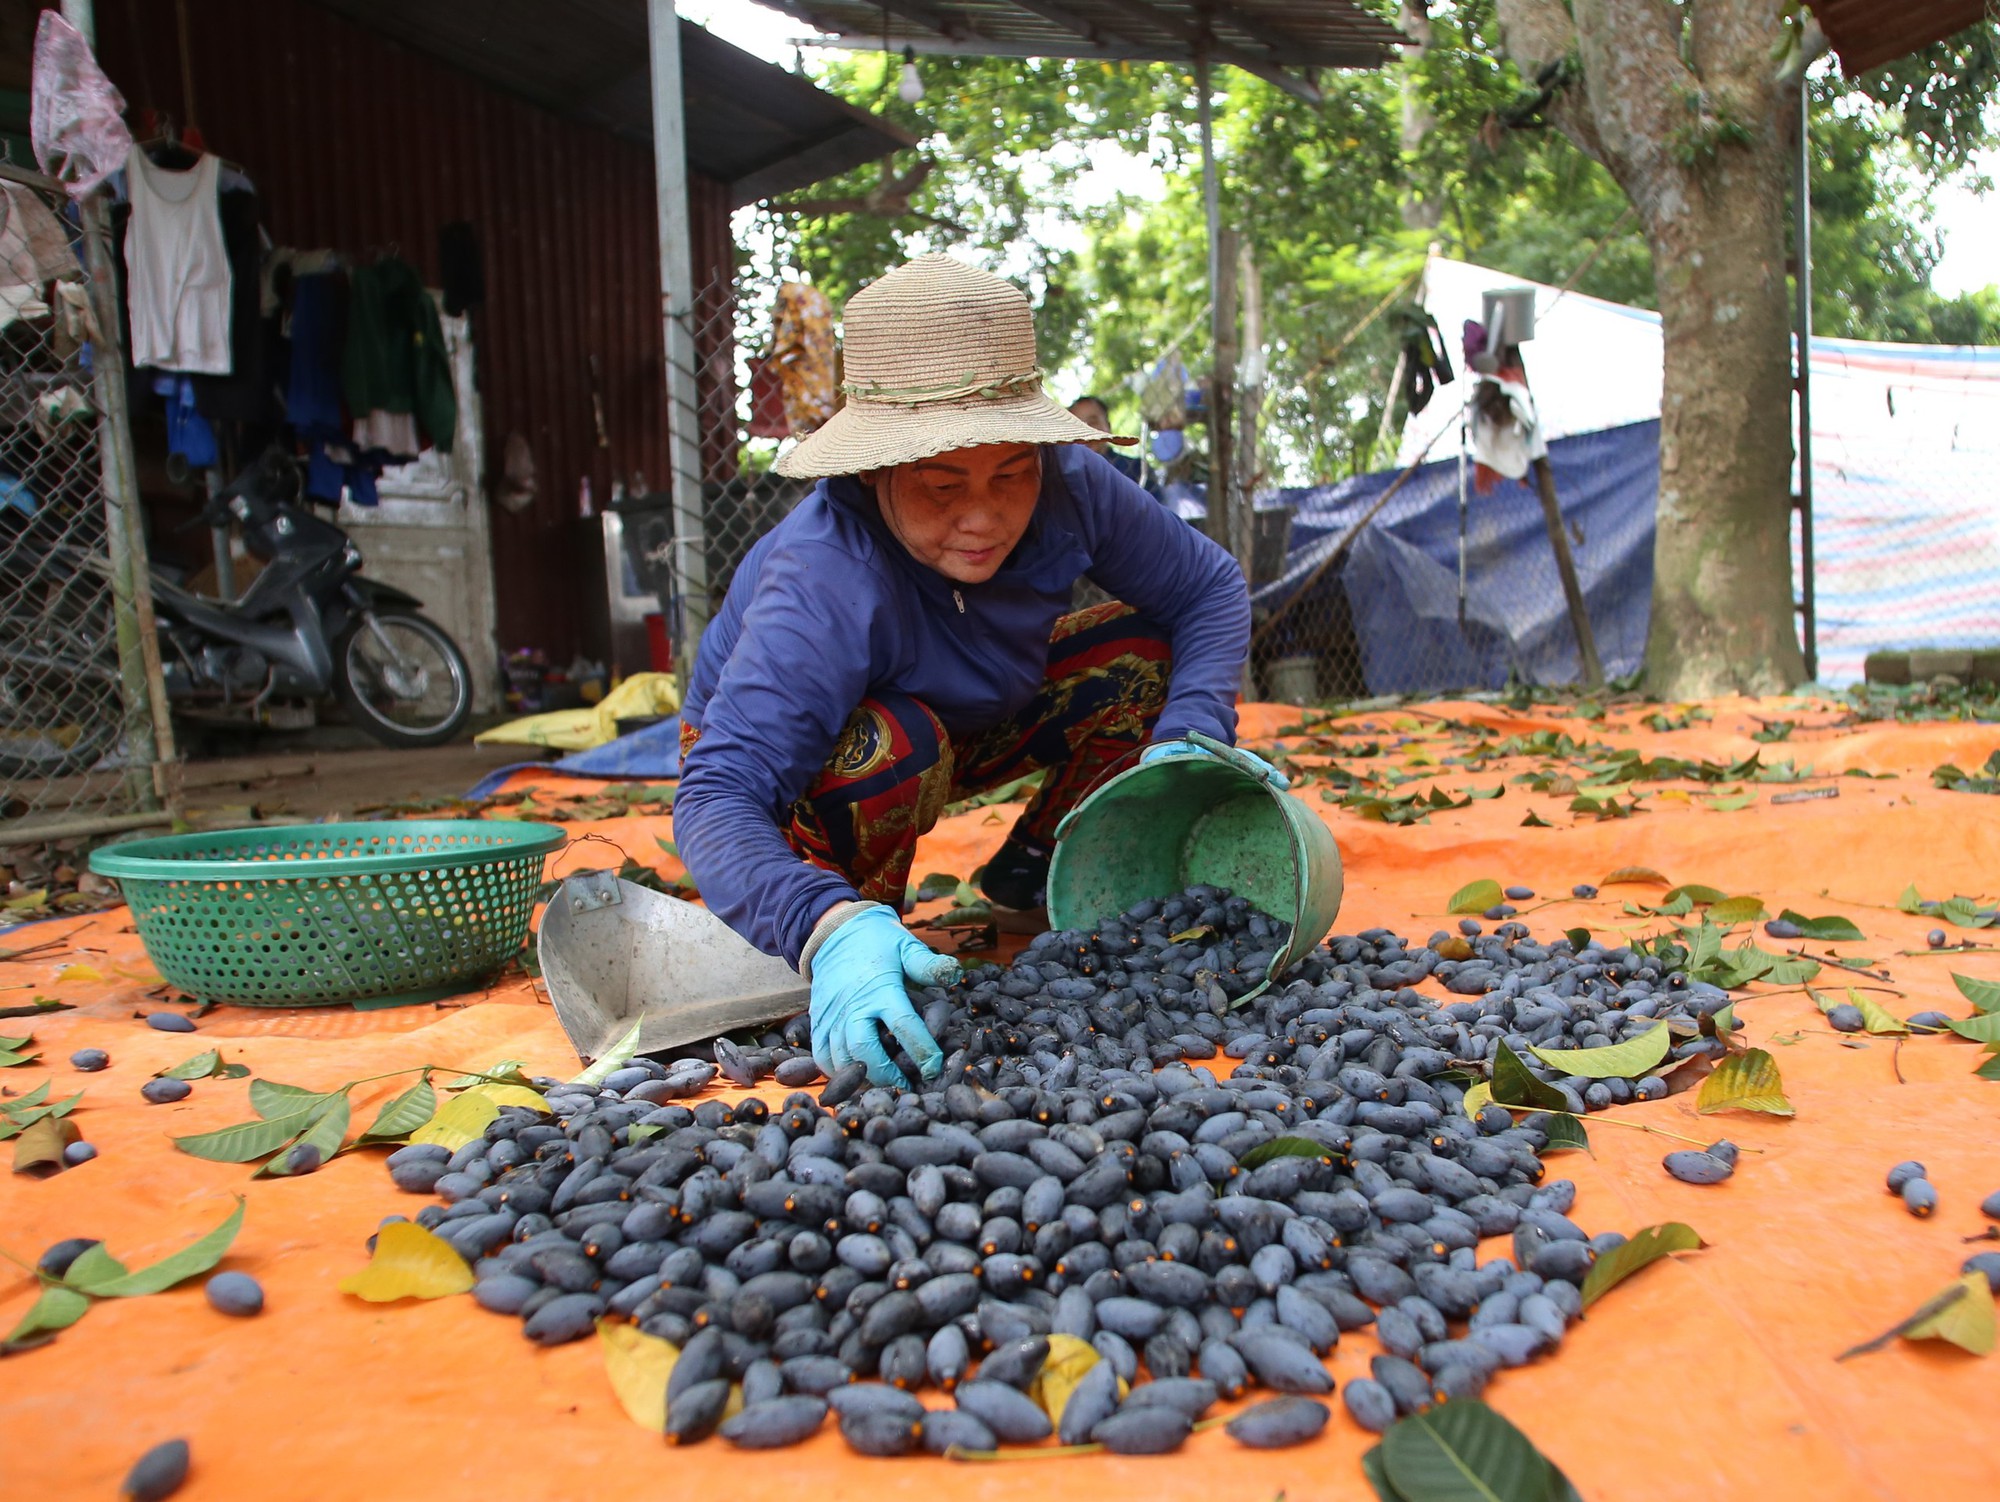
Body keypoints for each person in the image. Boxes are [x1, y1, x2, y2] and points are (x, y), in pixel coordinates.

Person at [674, 254, 1282, 1088]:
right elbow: (717, 795)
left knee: (1145, 657)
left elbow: (1207, 589)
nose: (984, 516)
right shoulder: (824, 582)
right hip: (810, 771)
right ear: (877, 467)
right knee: (887, 742)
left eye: (1011, 473)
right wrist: (821, 921)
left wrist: (1193, 736)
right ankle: (856, 932)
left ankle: (1040, 865)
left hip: (976, 711)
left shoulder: (1069, 482)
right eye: (940, 482)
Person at [1068, 393, 1146, 484]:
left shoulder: (1135, 468)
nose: (1085, 431)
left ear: (1108, 427)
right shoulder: (1061, 476)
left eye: (1092, 422)